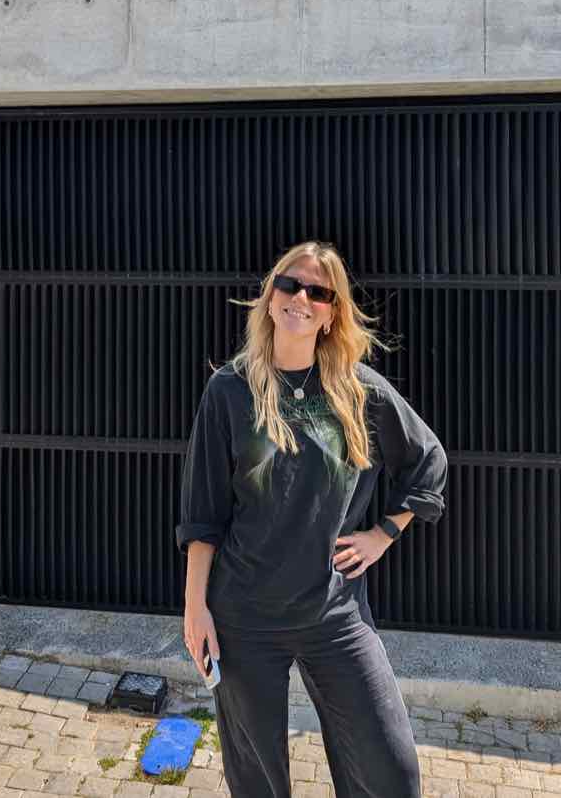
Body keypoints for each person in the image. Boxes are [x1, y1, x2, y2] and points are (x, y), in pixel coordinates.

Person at [177, 240, 448, 798]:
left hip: (334, 614)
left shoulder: (359, 392)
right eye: (290, 283)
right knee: (257, 781)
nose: (301, 297)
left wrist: (384, 532)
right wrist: (194, 607)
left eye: (318, 292)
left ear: (331, 313)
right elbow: (203, 512)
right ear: (270, 294)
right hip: (243, 616)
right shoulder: (229, 390)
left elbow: (428, 461)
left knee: (391, 771)